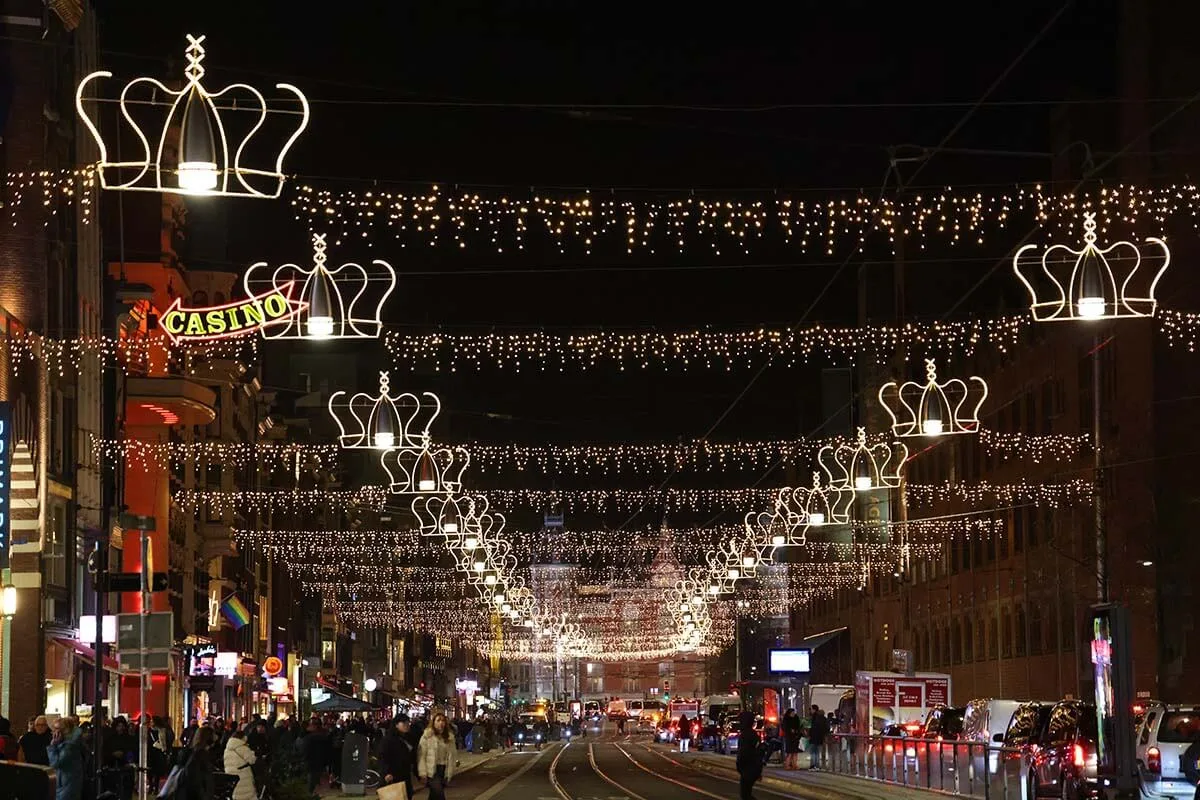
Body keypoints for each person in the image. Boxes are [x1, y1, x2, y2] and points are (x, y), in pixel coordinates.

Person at [417, 712, 457, 800]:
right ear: (433, 722)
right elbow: (421, 755)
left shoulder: (449, 738)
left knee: (434, 795)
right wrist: (422, 772)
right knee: (439, 793)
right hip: (431, 769)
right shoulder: (427, 736)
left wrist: (450, 771)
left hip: (444, 769)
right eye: (438, 720)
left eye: (443, 720)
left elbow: (452, 755)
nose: (441, 723)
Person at [48, 716, 84, 800]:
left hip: (67, 787)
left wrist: (52, 746)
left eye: (56, 728)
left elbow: (55, 763)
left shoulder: (69, 747)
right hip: (63, 784)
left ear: (64, 730)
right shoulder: (66, 744)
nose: (53, 731)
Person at [380, 715, 416, 799]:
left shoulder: (408, 737)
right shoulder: (389, 740)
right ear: (396, 725)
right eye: (403, 723)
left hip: (405, 774)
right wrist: (387, 772)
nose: (407, 725)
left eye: (408, 723)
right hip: (393, 775)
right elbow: (383, 757)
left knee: (406, 795)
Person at [222, 726, 257, 800]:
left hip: (231, 776)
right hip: (243, 775)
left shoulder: (227, 749)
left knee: (236, 794)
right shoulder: (242, 747)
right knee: (247, 795)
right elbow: (252, 760)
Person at [300, 717, 333, 793]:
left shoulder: (308, 738)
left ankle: (309, 793)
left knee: (311, 778)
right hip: (318, 761)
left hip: (310, 761)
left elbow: (305, 750)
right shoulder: (323, 736)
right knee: (313, 778)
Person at [735, 711, 763, 800]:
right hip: (753, 767)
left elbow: (743, 753)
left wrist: (739, 766)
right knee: (746, 794)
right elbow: (759, 752)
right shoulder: (753, 734)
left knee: (745, 795)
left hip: (748, 768)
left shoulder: (745, 735)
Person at [808, 705, 829, 769]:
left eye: (811, 709)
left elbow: (812, 728)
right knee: (817, 752)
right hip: (820, 738)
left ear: (814, 710)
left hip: (814, 737)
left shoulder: (814, 717)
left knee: (813, 752)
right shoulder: (824, 719)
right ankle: (817, 765)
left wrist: (809, 734)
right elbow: (826, 728)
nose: (810, 711)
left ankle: (813, 765)